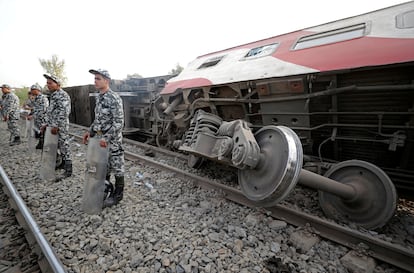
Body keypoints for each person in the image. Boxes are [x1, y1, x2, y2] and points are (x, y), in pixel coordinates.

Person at [82, 69, 125, 208]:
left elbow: (119, 122)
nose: (95, 81)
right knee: (103, 166)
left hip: (112, 140)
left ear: (107, 80)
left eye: (98, 78)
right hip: (100, 139)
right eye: (95, 78)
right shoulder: (99, 97)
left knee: (117, 165)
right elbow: (99, 119)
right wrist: (90, 131)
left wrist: (107, 137)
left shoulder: (114, 98)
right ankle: (104, 189)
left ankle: (118, 194)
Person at [42, 74, 72, 178]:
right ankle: (63, 163)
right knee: (58, 145)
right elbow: (51, 111)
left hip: (60, 125)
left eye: (50, 83)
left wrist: (56, 125)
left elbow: (64, 112)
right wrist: (46, 124)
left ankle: (69, 168)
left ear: (57, 84)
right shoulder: (54, 95)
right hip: (53, 125)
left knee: (64, 145)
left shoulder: (62, 95)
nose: (48, 85)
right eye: (47, 83)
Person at [27, 84, 49, 149]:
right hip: (37, 118)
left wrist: (33, 116)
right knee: (39, 131)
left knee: (44, 131)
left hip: (43, 118)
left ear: (38, 90)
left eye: (33, 90)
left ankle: (45, 144)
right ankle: (41, 143)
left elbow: (43, 109)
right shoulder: (36, 98)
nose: (31, 91)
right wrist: (31, 114)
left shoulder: (43, 98)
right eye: (31, 90)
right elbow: (34, 108)